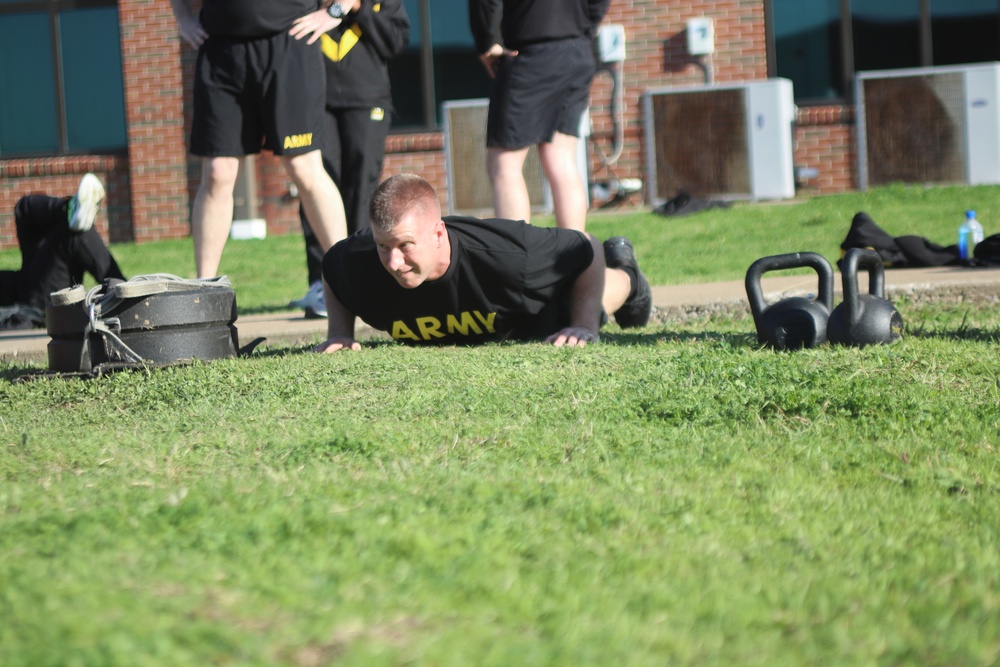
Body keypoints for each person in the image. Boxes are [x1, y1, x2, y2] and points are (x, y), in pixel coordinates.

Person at [315, 174, 651, 352]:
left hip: (540, 315)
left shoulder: (510, 255)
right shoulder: (359, 262)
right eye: (383, 246)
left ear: (437, 233)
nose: (393, 261)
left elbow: (585, 247)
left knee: (598, 301)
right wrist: (339, 334)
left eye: (406, 245)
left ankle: (627, 270)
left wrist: (584, 325)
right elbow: (332, 268)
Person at [169, 0, 348, 279]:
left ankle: (347, 276)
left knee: (304, 167)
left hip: (290, 43)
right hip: (221, 49)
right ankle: (204, 289)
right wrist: (183, 19)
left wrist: (337, 10)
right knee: (217, 173)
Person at [290, 0, 411, 319]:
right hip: (315, 101)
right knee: (316, 181)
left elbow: (395, 42)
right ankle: (322, 281)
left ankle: (361, 277)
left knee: (362, 187)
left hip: (367, 100)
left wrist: (357, 9)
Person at [469, 0, 610, 233]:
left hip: (530, 54)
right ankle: (576, 258)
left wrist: (487, 42)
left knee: (504, 165)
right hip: (577, 50)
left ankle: (517, 259)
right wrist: (585, 29)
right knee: (561, 159)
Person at [1, 174, 126, 330]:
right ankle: (125, 296)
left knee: (24, 207)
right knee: (74, 233)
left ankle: (67, 208)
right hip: (40, 303)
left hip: (24, 283)